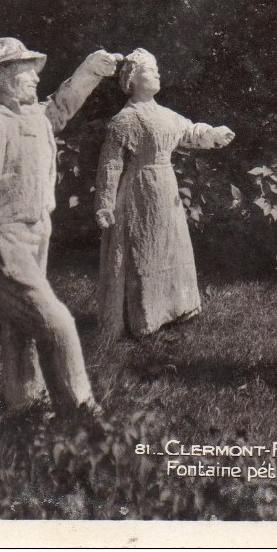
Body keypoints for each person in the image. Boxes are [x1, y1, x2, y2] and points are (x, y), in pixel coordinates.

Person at [0, 37, 122, 414]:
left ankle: (27, 403)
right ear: (0, 78)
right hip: (3, 237)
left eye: (33, 70)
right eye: (24, 71)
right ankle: (81, 409)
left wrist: (92, 68)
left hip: (35, 231)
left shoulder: (34, 118)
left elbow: (63, 103)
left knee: (22, 322)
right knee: (56, 320)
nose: (34, 77)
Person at [94, 48, 234, 343]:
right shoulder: (124, 120)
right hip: (139, 190)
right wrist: (105, 203)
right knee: (144, 246)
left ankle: (175, 307)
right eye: (150, 70)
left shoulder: (165, 114)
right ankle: (145, 315)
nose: (157, 74)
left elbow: (189, 132)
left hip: (165, 186)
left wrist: (213, 134)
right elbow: (111, 163)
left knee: (169, 243)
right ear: (132, 79)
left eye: (157, 69)